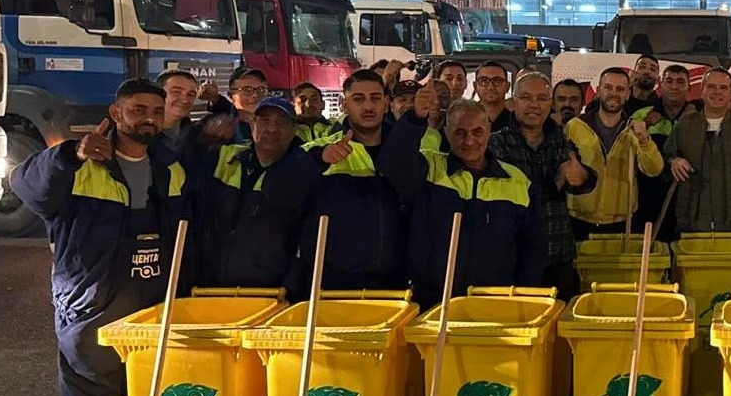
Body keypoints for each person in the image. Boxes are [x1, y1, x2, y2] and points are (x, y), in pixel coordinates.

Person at [9, 78, 188, 396]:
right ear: (117, 110)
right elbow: (26, 186)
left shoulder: (168, 169)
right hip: (91, 315)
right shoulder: (81, 163)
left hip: (148, 315)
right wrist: (67, 154)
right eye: (137, 109)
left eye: (156, 110)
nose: (148, 117)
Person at [383, 95, 545, 308]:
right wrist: (415, 119)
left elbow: (533, 250)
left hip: (497, 301)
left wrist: (525, 298)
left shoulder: (518, 181)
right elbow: (392, 162)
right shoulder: (429, 168)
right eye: (460, 132)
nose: (469, 141)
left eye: (477, 131)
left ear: (489, 129)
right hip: (432, 302)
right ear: (446, 133)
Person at [295, 70, 410, 295]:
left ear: (386, 103)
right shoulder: (318, 149)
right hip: (330, 285)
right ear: (344, 104)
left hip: (392, 285)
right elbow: (279, 188)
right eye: (358, 99)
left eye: (376, 98)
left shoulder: (405, 150)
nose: (368, 106)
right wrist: (319, 160)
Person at [188, 96, 317, 288]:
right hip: (211, 287)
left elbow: (308, 239)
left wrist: (291, 285)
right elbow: (182, 156)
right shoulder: (226, 157)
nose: (272, 129)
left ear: (294, 131)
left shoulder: (305, 173)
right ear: (252, 124)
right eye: (264, 120)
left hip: (273, 292)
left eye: (281, 122)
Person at [488, 71, 596, 298]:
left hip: (558, 252)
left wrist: (582, 177)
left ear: (550, 104)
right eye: (526, 97)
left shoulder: (561, 140)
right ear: (512, 101)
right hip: (513, 255)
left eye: (541, 99)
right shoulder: (495, 143)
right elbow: (513, 193)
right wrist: (556, 182)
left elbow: (583, 181)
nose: (534, 105)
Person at [664, 68, 731, 234]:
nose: (717, 92)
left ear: (730, 93)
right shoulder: (685, 124)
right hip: (691, 218)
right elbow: (665, 158)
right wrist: (673, 161)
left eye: (723, 88)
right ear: (702, 90)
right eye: (711, 86)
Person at [565, 67, 664, 240]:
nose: (614, 93)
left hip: (621, 222)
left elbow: (654, 169)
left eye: (620, 89)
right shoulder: (575, 126)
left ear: (627, 94)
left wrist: (645, 141)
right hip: (578, 220)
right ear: (599, 91)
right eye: (608, 87)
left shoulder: (634, 129)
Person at [635, 65, 697, 242]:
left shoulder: (698, 117)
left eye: (680, 82)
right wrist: (646, 125)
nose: (675, 87)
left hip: (686, 199)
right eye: (669, 81)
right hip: (648, 198)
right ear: (660, 84)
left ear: (689, 87)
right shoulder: (642, 115)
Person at [474, 62, 517, 133]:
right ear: (475, 86)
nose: (490, 87)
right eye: (484, 81)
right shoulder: (465, 121)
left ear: (507, 86)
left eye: (497, 80)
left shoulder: (517, 122)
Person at [158, 69, 198, 142]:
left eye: (191, 94)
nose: (185, 100)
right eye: (176, 92)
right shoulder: (141, 135)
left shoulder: (196, 135)